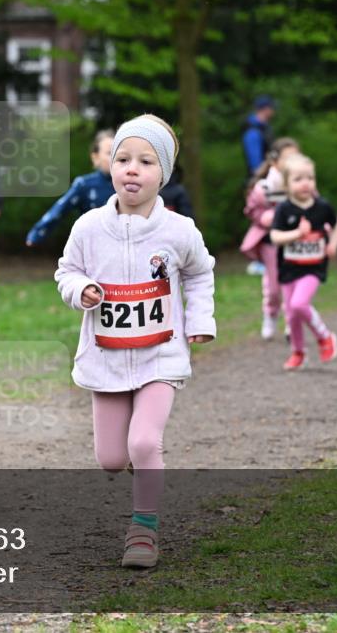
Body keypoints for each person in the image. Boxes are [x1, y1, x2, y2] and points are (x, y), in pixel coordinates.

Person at [55, 114, 216, 568]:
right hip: (106, 359)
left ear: (162, 174)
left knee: (144, 443)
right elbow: (66, 270)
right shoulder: (88, 227)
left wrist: (199, 319)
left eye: (146, 161)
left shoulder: (179, 230)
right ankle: (135, 466)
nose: (132, 168)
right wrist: (78, 289)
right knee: (110, 458)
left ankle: (143, 530)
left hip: (159, 356)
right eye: (123, 158)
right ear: (110, 165)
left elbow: (201, 273)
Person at [270, 154, 337, 371]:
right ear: (286, 184)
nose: (305, 183)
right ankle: (298, 352)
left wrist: (334, 244)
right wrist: (296, 234)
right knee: (291, 314)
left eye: (310, 178)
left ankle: (325, 336)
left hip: (313, 267)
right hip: (289, 268)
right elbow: (275, 237)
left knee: (299, 304)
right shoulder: (284, 209)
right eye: (298, 179)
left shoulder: (322, 207)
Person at [240, 137, 300, 339]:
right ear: (275, 161)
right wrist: (264, 217)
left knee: (293, 284)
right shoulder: (264, 187)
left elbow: (315, 206)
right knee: (274, 287)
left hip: (296, 242)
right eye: (288, 158)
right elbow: (251, 210)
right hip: (271, 242)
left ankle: (292, 323)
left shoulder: (303, 183)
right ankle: (271, 315)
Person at [26, 130, 114, 246]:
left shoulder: (129, 183)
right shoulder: (85, 184)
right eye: (109, 153)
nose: (114, 157)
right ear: (95, 157)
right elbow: (60, 209)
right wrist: (37, 233)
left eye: (118, 152)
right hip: (93, 247)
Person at [242, 95, 276, 177]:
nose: (274, 110)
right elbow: (256, 166)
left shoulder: (264, 128)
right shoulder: (253, 132)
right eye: (272, 108)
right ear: (265, 109)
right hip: (261, 178)